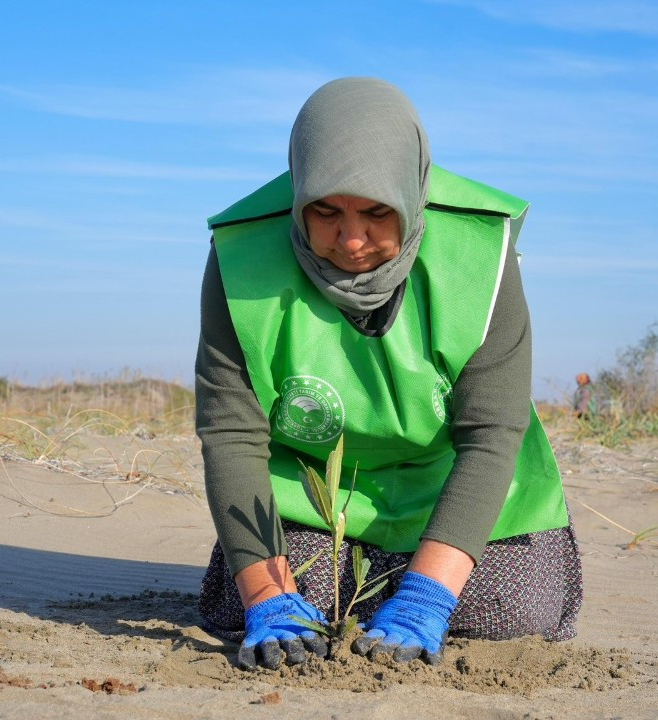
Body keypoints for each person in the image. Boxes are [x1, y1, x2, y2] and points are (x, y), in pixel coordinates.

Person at [194, 77, 581, 671]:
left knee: (507, 613)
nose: (352, 240)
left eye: (378, 212)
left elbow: (491, 433)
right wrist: (267, 596)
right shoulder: (240, 255)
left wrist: (428, 596)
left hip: (452, 481)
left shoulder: (480, 250)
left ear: (411, 191)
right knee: (279, 609)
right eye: (325, 212)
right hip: (313, 492)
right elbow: (231, 434)